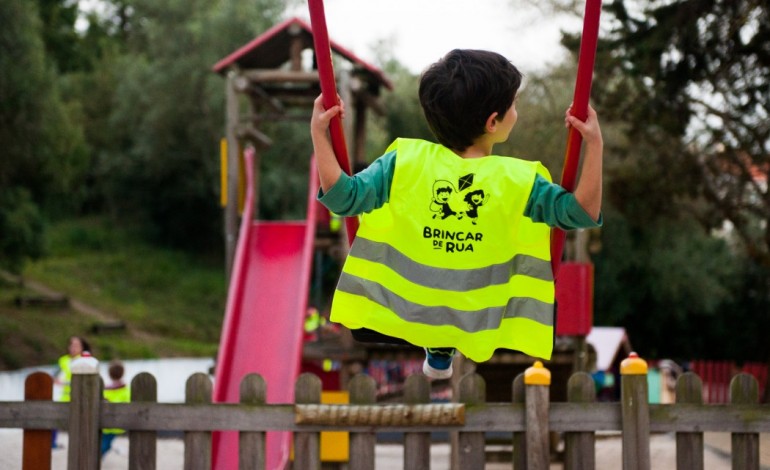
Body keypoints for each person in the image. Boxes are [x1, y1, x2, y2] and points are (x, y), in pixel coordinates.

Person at [310, 49, 603, 379]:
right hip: (484, 315)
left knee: (441, 284)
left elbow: (342, 198)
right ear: (493, 122)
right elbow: (581, 213)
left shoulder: (404, 163)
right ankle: (443, 342)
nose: (516, 112)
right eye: (514, 105)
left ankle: (439, 345)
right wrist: (594, 144)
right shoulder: (519, 182)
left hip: (408, 306)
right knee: (466, 281)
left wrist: (318, 134)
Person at [51, 335, 91, 448]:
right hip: (64, 397)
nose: (73, 348)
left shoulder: (85, 360)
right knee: (54, 419)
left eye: (76, 345)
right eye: (71, 345)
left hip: (81, 396)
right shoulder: (63, 360)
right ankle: (52, 443)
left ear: (82, 347)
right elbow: (53, 375)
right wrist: (57, 381)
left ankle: (81, 445)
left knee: (80, 424)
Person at [101, 360, 130, 457]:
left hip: (105, 424)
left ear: (109, 374)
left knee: (105, 442)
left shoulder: (105, 390)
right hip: (117, 424)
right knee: (105, 444)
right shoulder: (126, 390)